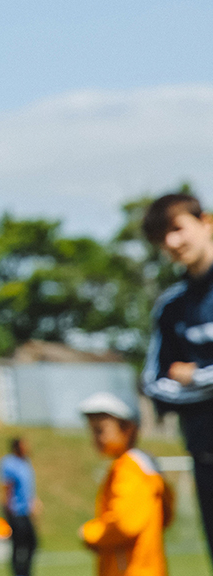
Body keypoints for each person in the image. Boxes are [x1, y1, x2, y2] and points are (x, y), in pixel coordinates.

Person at [139, 192, 213, 555]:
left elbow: (185, 379)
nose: (171, 242)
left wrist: (196, 376)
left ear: (207, 223)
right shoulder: (171, 307)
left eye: (177, 228)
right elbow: (154, 384)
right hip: (206, 455)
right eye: (162, 237)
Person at [78, 392, 172, 576]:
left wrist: (90, 533)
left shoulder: (129, 468)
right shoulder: (140, 464)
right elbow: (167, 513)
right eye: (93, 431)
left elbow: (125, 524)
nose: (95, 438)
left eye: (100, 430)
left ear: (127, 428)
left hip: (132, 569)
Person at [0, 438, 39, 576]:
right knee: (18, 546)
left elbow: (28, 488)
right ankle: (18, 573)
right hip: (16, 511)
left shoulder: (25, 462)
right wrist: (7, 511)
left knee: (32, 543)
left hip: (26, 511)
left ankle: (26, 572)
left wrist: (33, 503)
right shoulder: (9, 463)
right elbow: (7, 488)